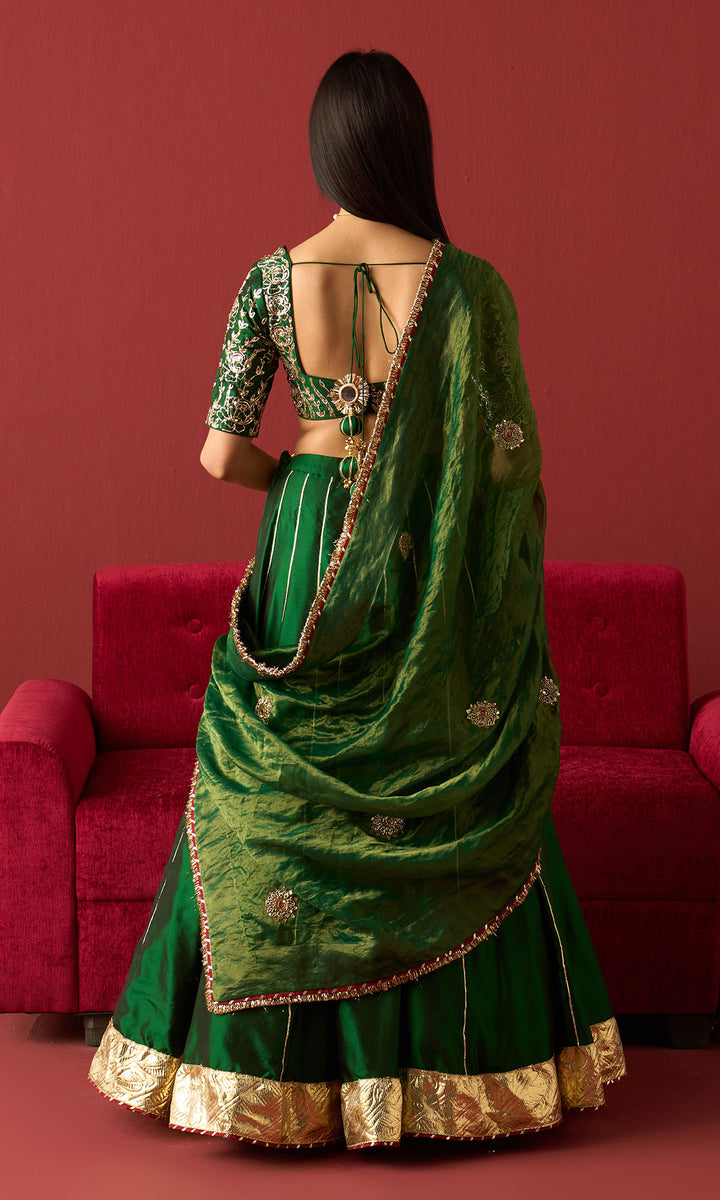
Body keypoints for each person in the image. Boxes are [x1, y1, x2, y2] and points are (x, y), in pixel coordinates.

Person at [89, 49, 626, 1150]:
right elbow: (504, 463)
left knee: (279, 782)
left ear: (326, 149)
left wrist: (301, 480)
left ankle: (265, 1074)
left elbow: (219, 454)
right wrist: (417, 494)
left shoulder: (271, 279)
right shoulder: (467, 287)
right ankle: (452, 1068)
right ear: (409, 147)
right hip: (426, 554)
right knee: (430, 760)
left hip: (304, 538)